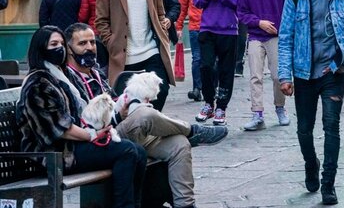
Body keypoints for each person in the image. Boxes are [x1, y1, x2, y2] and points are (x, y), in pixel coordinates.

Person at [64, 22, 228, 208]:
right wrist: (120, 114)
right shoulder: (67, 79)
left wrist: (127, 102)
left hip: (121, 131)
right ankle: (192, 130)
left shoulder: (97, 73)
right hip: (100, 141)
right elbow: (83, 121)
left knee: (179, 144)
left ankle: (185, 205)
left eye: (92, 42)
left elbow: (113, 101)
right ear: (69, 49)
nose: (89, 48)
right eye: (82, 44)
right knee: (144, 115)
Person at [16, 25, 147, 208]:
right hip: (55, 153)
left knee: (138, 151)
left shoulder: (62, 75)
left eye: (61, 43)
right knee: (126, 151)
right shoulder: (38, 82)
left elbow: (83, 111)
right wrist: (93, 135)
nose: (59, 48)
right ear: (41, 48)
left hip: (75, 145)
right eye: (53, 44)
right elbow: (59, 128)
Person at [278, 0, 344, 205]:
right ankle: (310, 164)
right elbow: (285, 38)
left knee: (331, 127)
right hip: (303, 74)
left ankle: (329, 184)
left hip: (332, 73)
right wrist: (284, 76)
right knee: (304, 130)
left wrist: (342, 60)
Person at [95, 0, 175, 112]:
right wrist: (111, 42)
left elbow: (160, 13)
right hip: (123, 56)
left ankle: (149, 124)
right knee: (125, 100)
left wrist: (163, 27)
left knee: (161, 90)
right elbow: (101, 21)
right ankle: (138, 128)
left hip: (151, 51)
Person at [237, 0, 291, 131]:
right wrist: (259, 22)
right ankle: (257, 114)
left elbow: (290, 10)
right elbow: (241, 12)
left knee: (278, 76)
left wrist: (283, 31)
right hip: (255, 36)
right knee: (255, 76)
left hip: (277, 36)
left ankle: (280, 108)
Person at [193, 0, 243, 125]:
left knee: (226, 70)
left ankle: (221, 107)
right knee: (205, 66)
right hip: (207, 28)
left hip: (228, 29)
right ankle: (208, 103)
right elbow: (196, 1)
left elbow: (240, 1)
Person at [176, 0, 206, 102]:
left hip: (210, 27)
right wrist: (179, 26)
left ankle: (211, 86)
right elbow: (182, 7)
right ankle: (197, 89)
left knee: (211, 60)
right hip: (194, 27)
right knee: (197, 58)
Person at [78, 0, 113, 72]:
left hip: (95, 31)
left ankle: (101, 84)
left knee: (99, 63)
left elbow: (83, 16)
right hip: (113, 31)